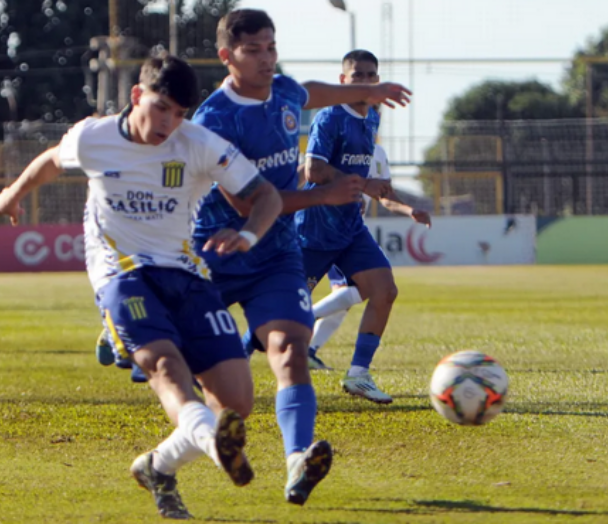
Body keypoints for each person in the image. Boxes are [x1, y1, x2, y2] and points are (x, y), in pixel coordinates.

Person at [0, 55, 284, 520]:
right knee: (165, 365)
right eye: (161, 107)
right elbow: (51, 160)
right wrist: (13, 193)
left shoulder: (200, 144)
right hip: (121, 275)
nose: (168, 122)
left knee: (237, 403)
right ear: (136, 96)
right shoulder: (94, 137)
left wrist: (247, 234)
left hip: (186, 273)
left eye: (179, 113)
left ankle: (158, 467)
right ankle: (213, 446)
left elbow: (267, 195)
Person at [188, 8, 411, 505]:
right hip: (220, 250)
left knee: (290, 348)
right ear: (227, 57)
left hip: (277, 253)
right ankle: (161, 458)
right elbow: (253, 204)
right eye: (253, 50)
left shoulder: (286, 92)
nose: (267, 58)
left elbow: (311, 89)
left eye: (271, 47)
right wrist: (321, 197)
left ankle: (297, 460)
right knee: (220, 395)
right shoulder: (214, 121)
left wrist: (368, 92)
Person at [296, 50, 410, 404]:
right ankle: (222, 365)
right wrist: (361, 186)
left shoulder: (372, 117)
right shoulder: (330, 116)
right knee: (281, 315)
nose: (364, 80)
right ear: (342, 81)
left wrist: (370, 192)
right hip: (314, 230)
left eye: (370, 75)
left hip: (349, 228)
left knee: (384, 290)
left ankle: (358, 374)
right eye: (356, 75)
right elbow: (314, 170)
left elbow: (367, 176)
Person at [304, 141, 431, 371]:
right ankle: (304, 320)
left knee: (348, 295)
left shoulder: (377, 152)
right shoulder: (335, 136)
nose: (374, 111)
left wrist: (410, 210)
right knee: (353, 291)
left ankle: (309, 349)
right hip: (318, 229)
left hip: (349, 233)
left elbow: (385, 195)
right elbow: (310, 173)